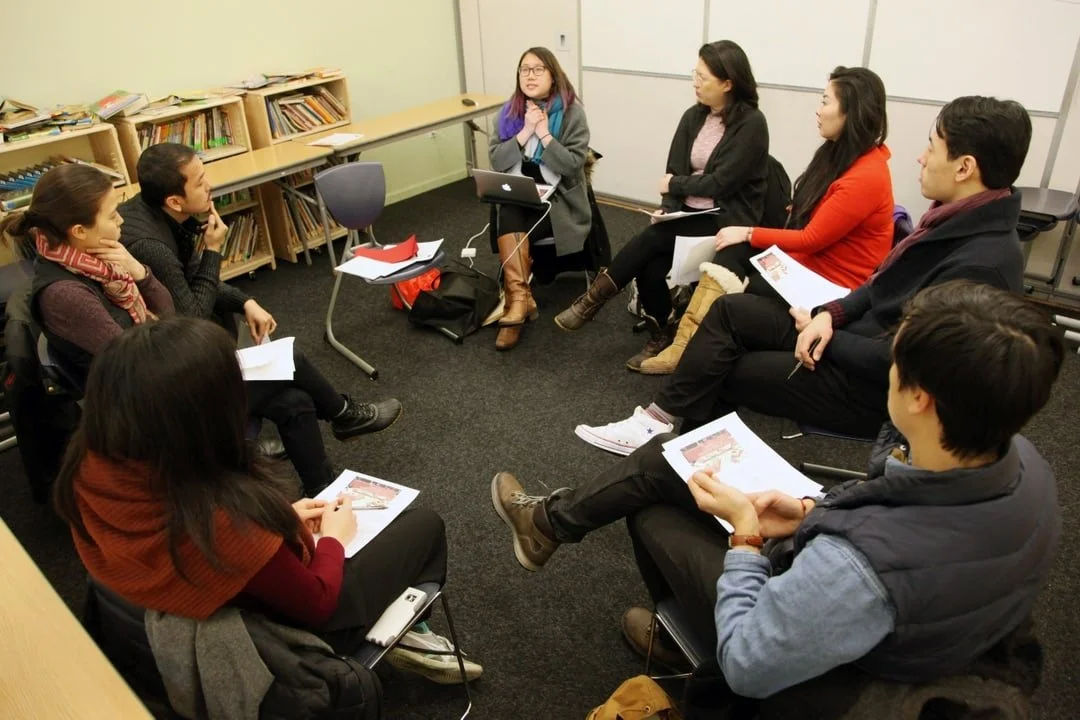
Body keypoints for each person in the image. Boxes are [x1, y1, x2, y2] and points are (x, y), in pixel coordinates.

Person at [492, 279, 1063, 714]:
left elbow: (748, 665)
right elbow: (899, 504)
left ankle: (681, 635)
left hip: (835, 668)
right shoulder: (1026, 468)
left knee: (656, 501)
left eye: (895, 358)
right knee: (670, 463)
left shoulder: (857, 568)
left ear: (920, 399)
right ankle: (552, 527)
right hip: (924, 625)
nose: (886, 366)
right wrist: (814, 512)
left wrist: (744, 535)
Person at [574, 95, 1032, 456]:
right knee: (731, 312)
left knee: (726, 369)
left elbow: (906, 361)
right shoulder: (954, 218)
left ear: (966, 167)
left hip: (874, 386)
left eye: (932, 148)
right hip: (848, 329)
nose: (920, 159)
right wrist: (830, 315)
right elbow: (881, 285)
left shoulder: (981, 264)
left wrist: (825, 334)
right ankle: (659, 426)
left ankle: (683, 463)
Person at [54, 316, 482, 684]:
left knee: (297, 411)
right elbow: (317, 603)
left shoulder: (88, 467)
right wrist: (331, 539)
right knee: (423, 525)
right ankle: (396, 629)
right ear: (202, 416)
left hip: (172, 615)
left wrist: (283, 522)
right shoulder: (223, 520)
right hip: (274, 639)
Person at [119, 143, 403, 493]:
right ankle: (343, 415)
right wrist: (212, 250)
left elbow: (189, 282)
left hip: (190, 358)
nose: (210, 185)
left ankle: (322, 487)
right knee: (290, 357)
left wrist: (245, 300)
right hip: (179, 384)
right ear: (175, 201)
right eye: (200, 181)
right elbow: (190, 313)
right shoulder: (150, 244)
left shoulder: (160, 213)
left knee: (295, 401)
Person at [639, 66, 895, 375]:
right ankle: (685, 345)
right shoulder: (838, 155)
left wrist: (748, 232)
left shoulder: (865, 175)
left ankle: (689, 351)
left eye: (826, 101)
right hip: (806, 265)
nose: (818, 110)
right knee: (725, 255)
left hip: (825, 285)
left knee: (729, 296)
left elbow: (811, 237)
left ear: (851, 112)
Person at [554, 40, 770, 370]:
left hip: (725, 219)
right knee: (649, 264)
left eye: (703, 76)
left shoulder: (752, 124)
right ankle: (661, 332)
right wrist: (669, 206)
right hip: (687, 215)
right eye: (694, 74)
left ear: (728, 83)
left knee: (651, 240)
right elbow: (674, 170)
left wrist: (674, 185)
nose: (695, 82)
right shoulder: (693, 116)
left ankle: (593, 299)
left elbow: (720, 183)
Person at [0, 164, 176, 386]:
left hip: (143, 367)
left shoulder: (99, 255)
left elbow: (168, 311)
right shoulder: (66, 294)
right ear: (79, 231)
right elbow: (132, 360)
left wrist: (138, 271)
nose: (121, 220)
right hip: (127, 391)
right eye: (112, 216)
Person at [487, 46, 591, 351]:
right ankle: (520, 299)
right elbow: (496, 160)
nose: (529, 76)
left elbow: (573, 167)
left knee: (513, 218)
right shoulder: (508, 113)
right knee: (510, 205)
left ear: (553, 75)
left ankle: (516, 305)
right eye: (524, 70)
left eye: (537, 69)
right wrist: (524, 132)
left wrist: (544, 135)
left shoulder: (572, 113)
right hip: (521, 194)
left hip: (559, 201)